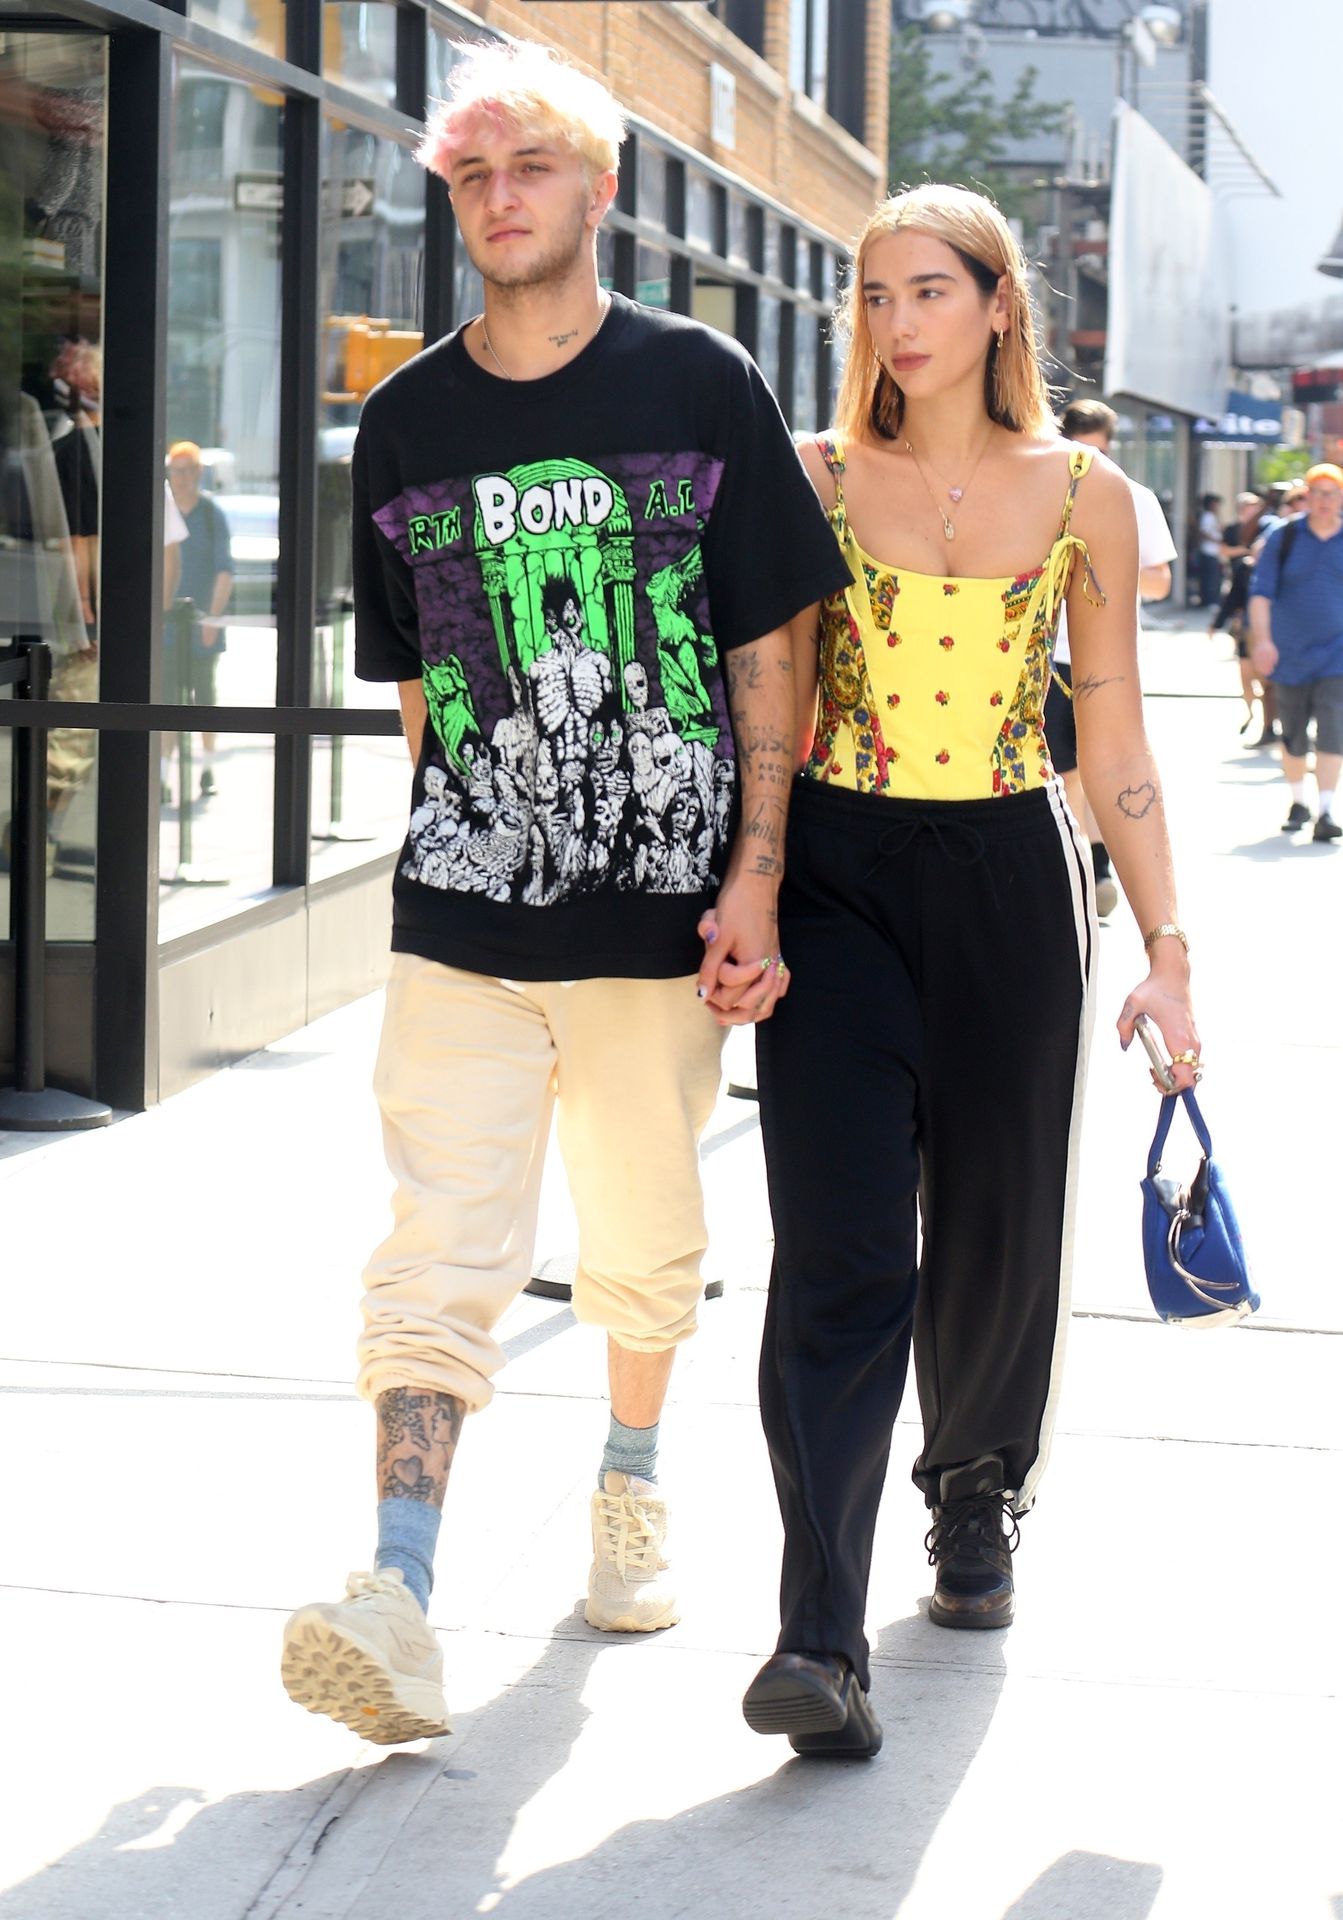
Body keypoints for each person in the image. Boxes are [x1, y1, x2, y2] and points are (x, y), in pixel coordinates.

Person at [279, 39, 849, 1747]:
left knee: (643, 1235)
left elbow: (771, 649)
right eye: (470, 174)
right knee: (433, 1249)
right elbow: (419, 689)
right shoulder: (405, 419)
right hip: (462, 914)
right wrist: (474, 835)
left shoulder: (698, 382)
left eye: (526, 166)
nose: (496, 196)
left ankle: (629, 1483)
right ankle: (395, 1589)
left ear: (598, 191)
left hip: (656, 918)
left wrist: (754, 880)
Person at [739, 185, 1200, 1760]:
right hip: (837, 876)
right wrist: (752, 889)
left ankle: (972, 1495)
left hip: (1010, 875)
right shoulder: (810, 480)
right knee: (839, 1247)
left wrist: (1166, 951)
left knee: (998, 1229)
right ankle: (815, 1633)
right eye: (872, 297)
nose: (895, 323)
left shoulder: (1085, 496)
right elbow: (773, 709)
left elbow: (1111, 733)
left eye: (926, 290)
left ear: (998, 303)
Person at [1046, 398, 1177, 918]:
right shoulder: (1042, 490)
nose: (1090, 462)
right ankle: (1082, 870)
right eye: (1081, 450)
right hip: (1049, 655)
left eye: (1099, 451)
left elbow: (1161, 582)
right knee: (1067, 771)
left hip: (1111, 656)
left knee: (1102, 764)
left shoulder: (1133, 496)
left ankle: (1095, 867)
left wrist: (1106, 563)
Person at [1248, 462, 1343, 843]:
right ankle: (1299, 802)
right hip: (1289, 655)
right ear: (1307, 496)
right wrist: (1263, 641)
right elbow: (1260, 594)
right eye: (1316, 493)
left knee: (1333, 731)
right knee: (1293, 734)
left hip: (1336, 656)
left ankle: (1326, 810)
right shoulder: (1284, 537)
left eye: (1331, 494)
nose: (1324, 501)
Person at [165, 440, 233, 798]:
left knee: (204, 697)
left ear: (199, 473)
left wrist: (212, 618)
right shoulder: (163, 512)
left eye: (189, 470)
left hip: (203, 623)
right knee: (166, 698)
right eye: (176, 471)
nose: (183, 478)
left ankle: (207, 768)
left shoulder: (210, 514)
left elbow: (225, 570)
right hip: (168, 626)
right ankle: (163, 774)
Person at [1210, 490, 1273, 742]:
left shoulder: (1270, 531)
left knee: (1266, 680)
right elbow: (1233, 591)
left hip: (1268, 622)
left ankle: (1268, 724)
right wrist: (1216, 623)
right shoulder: (1237, 537)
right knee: (1245, 672)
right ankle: (1252, 713)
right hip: (1243, 614)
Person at [1195, 492, 1224, 607]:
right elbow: (1204, 532)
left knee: (1213, 577)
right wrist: (1217, 540)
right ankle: (1209, 601)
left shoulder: (1212, 516)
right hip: (1208, 551)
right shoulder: (1207, 516)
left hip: (1213, 552)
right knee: (1210, 578)